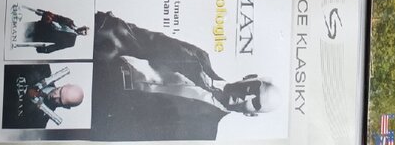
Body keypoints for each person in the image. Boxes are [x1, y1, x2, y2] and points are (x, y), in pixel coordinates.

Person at [90, 10, 281, 140]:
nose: (248, 96)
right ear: (249, 77)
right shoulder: (199, 57)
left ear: (250, 114)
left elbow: (131, 134)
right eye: (254, 88)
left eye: (256, 102)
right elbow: (140, 37)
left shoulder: (202, 133)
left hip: (96, 110)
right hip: (99, 63)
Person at [2, 64, 85, 129]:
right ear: (66, 84)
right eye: (60, 91)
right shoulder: (41, 67)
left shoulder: (38, 123)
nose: (55, 96)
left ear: (66, 107)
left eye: (60, 100)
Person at [20, 7, 90, 53]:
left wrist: (45, 50)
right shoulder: (70, 22)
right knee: (18, 29)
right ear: (83, 26)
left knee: (19, 39)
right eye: (85, 29)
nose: (83, 32)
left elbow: (57, 47)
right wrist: (44, 13)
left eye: (85, 33)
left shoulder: (71, 42)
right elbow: (56, 17)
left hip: (39, 38)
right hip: (39, 26)